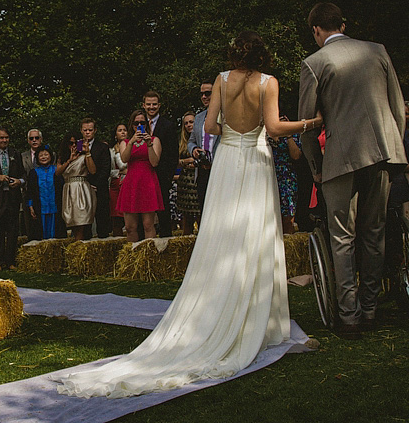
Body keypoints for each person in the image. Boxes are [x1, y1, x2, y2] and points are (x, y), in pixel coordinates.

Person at [58, 30, 321, 398]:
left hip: (229, 157)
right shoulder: (269, 83)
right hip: (256, 159)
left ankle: (217, 305)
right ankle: (260, 320)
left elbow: (210, 126)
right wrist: (312, 123)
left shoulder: (222, 80)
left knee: (220, 231)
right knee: (257, 231)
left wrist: (231, 128)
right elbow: (275, 128)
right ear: (262, 55)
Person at [299, 3, 407, 338]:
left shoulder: (315, 63)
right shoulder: (377, 51)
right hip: (380, 151)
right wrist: (394, 146)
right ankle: (371, 309)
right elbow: (397, 107)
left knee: (341, 238)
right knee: (373, 233)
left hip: (340, 158)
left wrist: (316, 167)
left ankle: (349, 317)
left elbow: (305, 125)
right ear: (341, 24)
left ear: (316, 29)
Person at [116, 109, 164, 242]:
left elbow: (155, 162)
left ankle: (149, 255)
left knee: (148, 225)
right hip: (131, 182)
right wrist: (131, 142)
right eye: (136, 123)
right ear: (131, 125)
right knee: (130, 226)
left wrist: (149, 145)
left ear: (147, 124)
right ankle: (133, 256)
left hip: (147, 181)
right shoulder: (125, 142)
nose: (139, 126)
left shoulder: (155, 140)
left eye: (142, 123)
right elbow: (124, 159)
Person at [142, 91, 178, 237]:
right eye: (149, 104)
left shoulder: (168, 126)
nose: (152, 107)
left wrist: (167, 177)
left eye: (154, 104)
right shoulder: (138, 124)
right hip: (142, 174)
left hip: (161, 175)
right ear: (143, 105)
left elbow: (172, 154)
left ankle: (166, 240)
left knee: (163, 210)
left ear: (159, 105)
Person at [0, 126, 25, 269]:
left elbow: (23, 174)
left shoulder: (15, 153)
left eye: (6, 138)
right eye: (1, 138)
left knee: (12, 229)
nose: (4, 140)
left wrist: (19, 182)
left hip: (12, 196)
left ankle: (10, 261)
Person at [56, 133, 96, 242]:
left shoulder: (84, 156)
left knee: (81, 221)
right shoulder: (62, 158)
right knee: (72, 221)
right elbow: (58, 172)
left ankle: (80, 244)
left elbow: (92, 170)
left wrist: (87, 152)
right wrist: (69, 160)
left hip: (81, 189)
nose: (73, 145)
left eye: (76, 143)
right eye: (70, 143)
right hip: (68, 189)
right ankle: (76, 243)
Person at [266, 113, 301, 234]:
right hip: (267, 176)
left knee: (288, 218)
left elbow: (296, 155)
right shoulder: (263, 134)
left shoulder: (292, 133)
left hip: (286, 179)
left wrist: (288, 134)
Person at [187, 82, 219, 216]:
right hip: (202, 170)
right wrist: (194, 150)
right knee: (204, 210)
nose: (204, 97)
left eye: (208, 93)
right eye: (202, 94)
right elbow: (191, 141)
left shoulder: (225, 117)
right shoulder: (199, 118)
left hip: (219, 169)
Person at [80, 118, 112, 238]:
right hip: (82, 188)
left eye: (90, 130)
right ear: (81, 131)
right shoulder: (78, 146)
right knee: (84, 222)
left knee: (102, 219)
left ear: (95, 131)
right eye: (85, 130)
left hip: (99, 188)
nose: (87, 132)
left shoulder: (102, 147)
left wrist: (96, 185)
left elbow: (105, 169)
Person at [175, 112, 201, 235]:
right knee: (186, 220)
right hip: (185, 183)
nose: (189, 125)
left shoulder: (202, 138)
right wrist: (186, 161)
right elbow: (175, 162)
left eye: (191, 122)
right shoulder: (181, 142)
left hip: (198, 181)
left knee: (201, 216)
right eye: (186, 123)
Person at [25, 146, 58, 239]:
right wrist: (31, 207)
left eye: (46, 154)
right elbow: (30, 191)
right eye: (41, 155)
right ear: (37, 158)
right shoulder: (34, 172)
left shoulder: (56, 170)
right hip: (40, 207)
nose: (44, 157)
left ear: (51, 156)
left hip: (55, 207)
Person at [20, 129, 44, 240]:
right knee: (30, 224)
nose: (34, 140)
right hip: (28, 194)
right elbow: (22, 174)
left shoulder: (50, 154)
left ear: (41, 139)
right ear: (28, 141)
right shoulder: (22, 156)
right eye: (31, 138)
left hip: (45, 194)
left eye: (37, 138)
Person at [108, 122, 128, 237]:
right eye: (120, 130)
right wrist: (119, 172)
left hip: (128, 183)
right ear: (115, 135)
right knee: (116, 217)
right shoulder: (111, 151)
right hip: (115, 185)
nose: (123, 132)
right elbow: (108, 171)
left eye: (124, 130)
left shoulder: (132, 146)